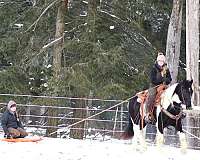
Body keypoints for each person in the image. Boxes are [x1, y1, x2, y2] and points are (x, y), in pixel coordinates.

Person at [145, 52, 172, 122]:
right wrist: (161, 79)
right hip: (154, 86)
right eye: (160, 61)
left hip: (164, 86)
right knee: (151, 96)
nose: (161, 62)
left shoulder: (166, 69)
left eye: (162, 61)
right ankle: (147, 113)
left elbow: (170, 79)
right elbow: (152, 79)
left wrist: (166, 80)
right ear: (157, 61)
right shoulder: (154, 68)